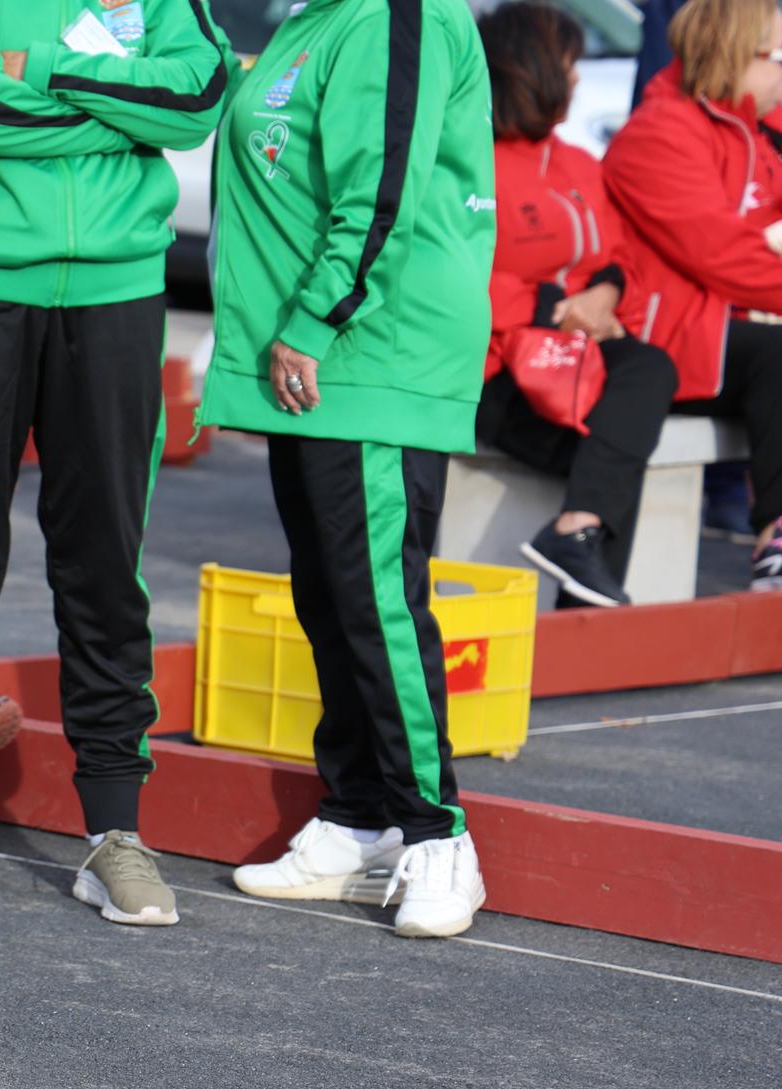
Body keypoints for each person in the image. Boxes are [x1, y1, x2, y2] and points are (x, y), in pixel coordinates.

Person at [0, 0, 231, 924]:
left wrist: (46, 70)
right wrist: (117, 103)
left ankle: (116, 832)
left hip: (117, 287)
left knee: (107, 566)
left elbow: (198, 96)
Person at [201, 0, 496, 936]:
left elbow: (383, 184)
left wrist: (317, 316)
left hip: (368, 352)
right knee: (329, 595)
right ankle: (357, 816)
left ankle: (437, 832)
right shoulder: (313, 20)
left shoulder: (392, 11)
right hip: (321, 363)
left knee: (375, 601)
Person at [478, 1, 681, 607]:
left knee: (643, 381)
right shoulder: (466, 161)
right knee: (616, 450)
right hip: (497, 373)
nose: (575, 80)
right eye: (569, 65)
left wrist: (606, 291)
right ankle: (583, 608)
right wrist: (556, 307)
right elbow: (455, 282)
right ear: (527, 68)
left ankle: (575, 544)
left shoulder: (578, 163)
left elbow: (623, 254)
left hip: (575, 361)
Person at [602, 0, 782, 591]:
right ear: (737, 55)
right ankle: (776, 543)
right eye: (778, 56)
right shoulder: (661, 132)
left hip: (711, 331)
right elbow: (726, 256)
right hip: (656, 345)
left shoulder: (745, 129)